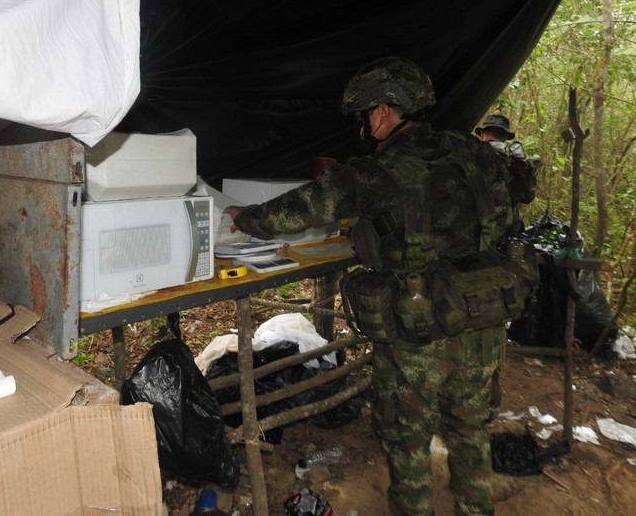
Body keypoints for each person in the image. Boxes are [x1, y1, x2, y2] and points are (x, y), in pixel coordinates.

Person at [225, 57, 523, 515]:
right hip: (483, 318)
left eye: (365, 115)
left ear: (383, 112)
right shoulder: (474, 152)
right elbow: (517, 195)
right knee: (470, 432)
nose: (364, 126)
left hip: (420, 328)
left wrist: (244, 217)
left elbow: (297, 210)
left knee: (407, 441)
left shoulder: (376, 173)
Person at [475, 113, 540, 234]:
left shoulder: (466, 153)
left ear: (482, 134)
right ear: (505, 137)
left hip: (467, 232)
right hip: (500, 233)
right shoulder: (512, 160)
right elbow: (527, 197)